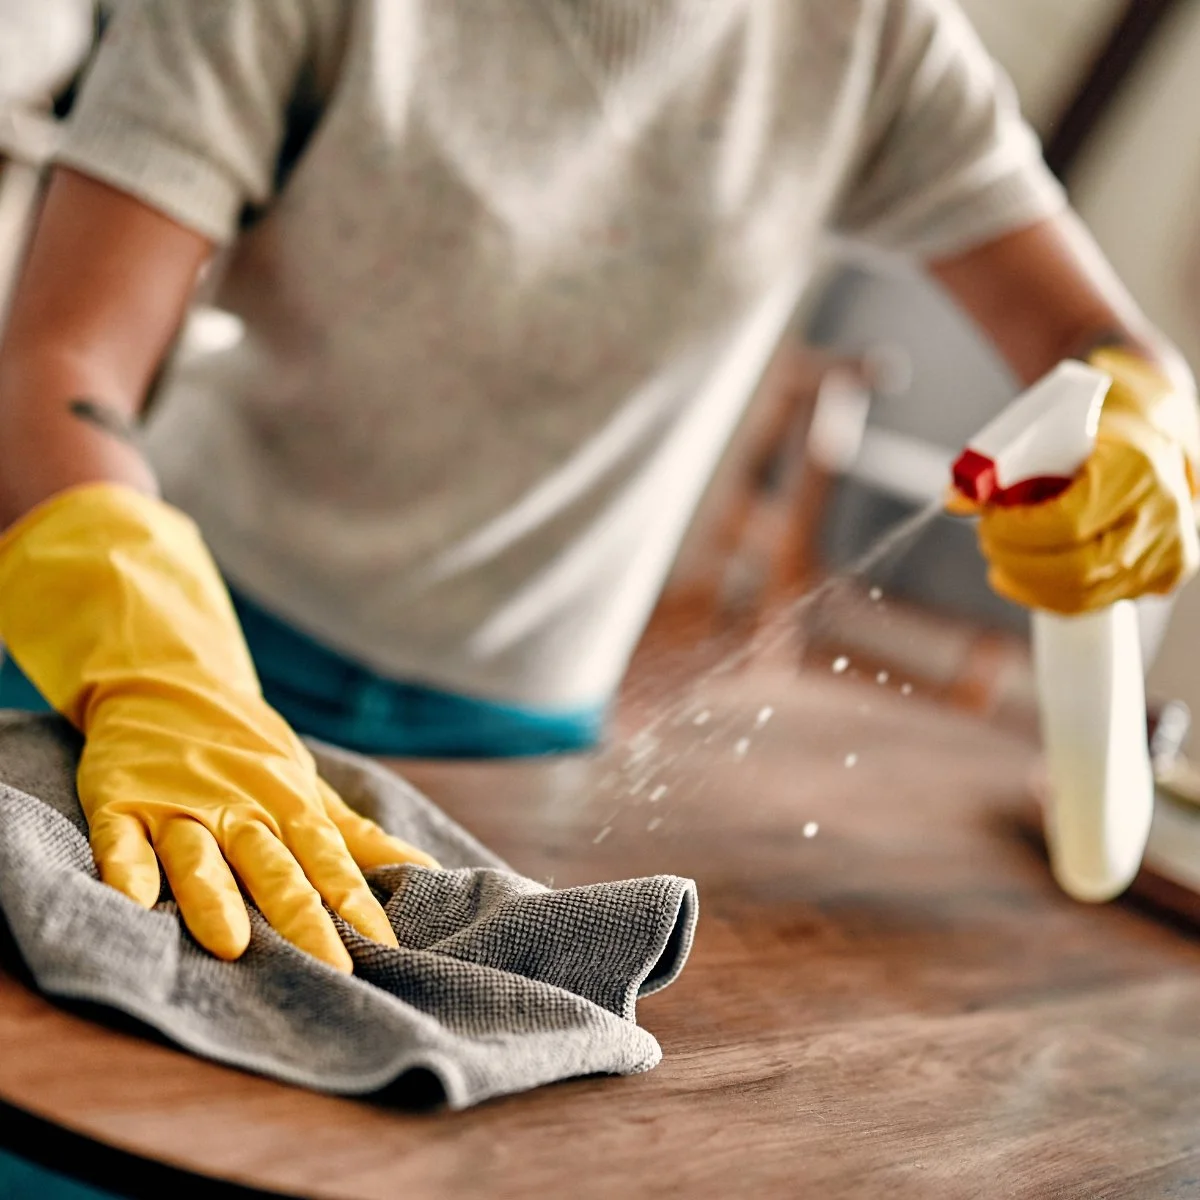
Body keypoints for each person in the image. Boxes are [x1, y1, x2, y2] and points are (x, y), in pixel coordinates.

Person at [0, 0, 1195, 973]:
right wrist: (155, 668)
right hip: (151, 664)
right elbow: (64, 355)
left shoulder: (872, 35)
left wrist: (1148, 422)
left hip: (521, 753)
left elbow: (1109, 340)